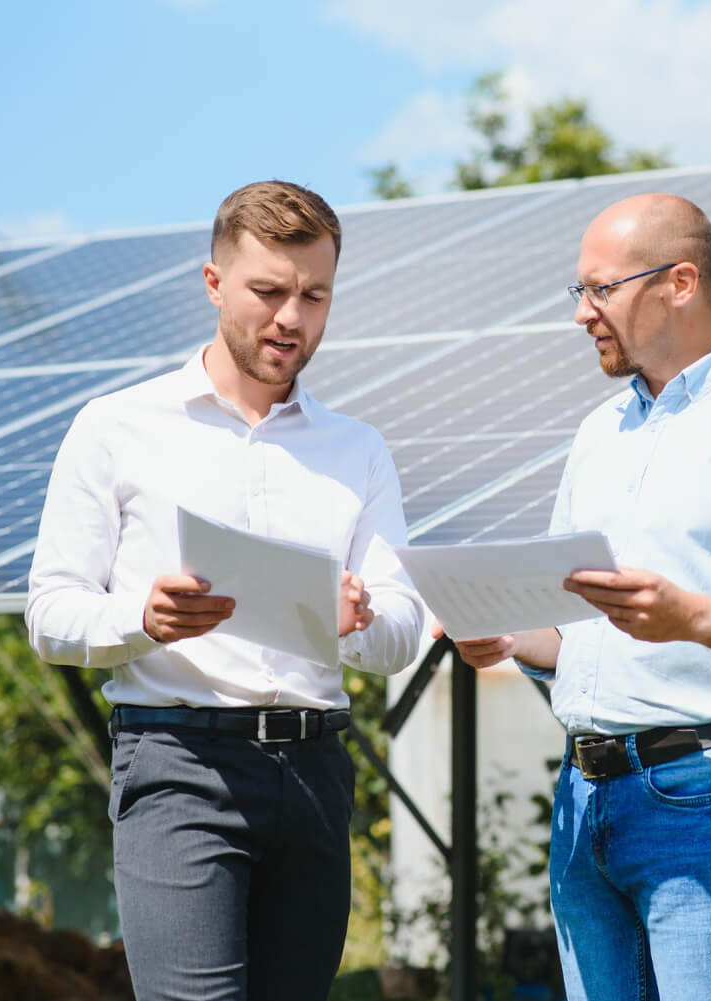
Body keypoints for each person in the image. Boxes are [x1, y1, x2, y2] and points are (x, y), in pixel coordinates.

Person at [442, 193, 711, 1001]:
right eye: (577, 291)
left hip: (702, 795)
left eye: (599, 289)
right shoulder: (599, 433)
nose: (581, 314)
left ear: (680, 282)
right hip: (583, 797)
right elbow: (575, 630)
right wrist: (503, 637)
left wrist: (693, 616)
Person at [26, 180, 424, 1001]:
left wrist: (358, 618)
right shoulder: (116, 427)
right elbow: (50, 612)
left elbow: (402, 632)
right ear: (213, 284)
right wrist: (144, 618)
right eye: (268, 291)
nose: (291, 317)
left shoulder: (360, 449)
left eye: (314, 296)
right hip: (179, 763)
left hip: (316, 769)